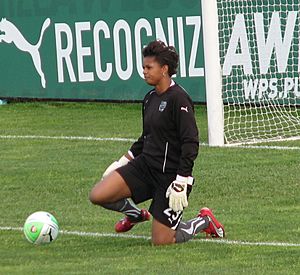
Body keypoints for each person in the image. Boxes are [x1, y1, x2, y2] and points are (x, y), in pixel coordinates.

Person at [89, 40, 225, 245]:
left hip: (170, 178)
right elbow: (146, 138)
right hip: (145, 168)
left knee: (162, 242)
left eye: (148, 67)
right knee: (98, 194)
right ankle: (135, 215)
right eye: (143, 67)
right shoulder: (149, 98)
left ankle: (204, 220)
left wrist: (182, 179)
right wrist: (121, 162)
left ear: (164, 69)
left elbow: (190, 142)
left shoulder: (179, 99)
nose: (144, 71)